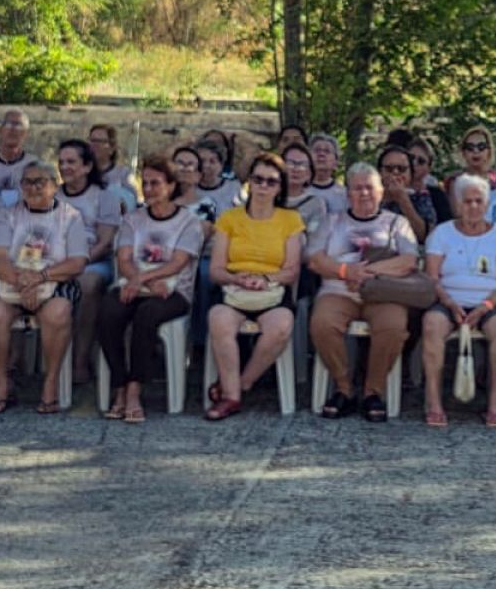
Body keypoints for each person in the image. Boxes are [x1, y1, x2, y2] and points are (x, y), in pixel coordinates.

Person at [307, 163, 419, 422]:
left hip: (382, 292)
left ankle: (373, 391)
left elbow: (409, 261)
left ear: (380, 192)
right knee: (322, 324)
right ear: (348, 193)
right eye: (357, 188)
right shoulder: (332, 221)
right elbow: (314, 260)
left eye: (369, 187)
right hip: (338, 291)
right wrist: (345, 271)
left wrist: (365, 272)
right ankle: (344, 388)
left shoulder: (396, 223)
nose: (364, 193)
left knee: (393, 326)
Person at [0, 160, 88, 415]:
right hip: (12, 280)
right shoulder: (8, 214)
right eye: (27, 182)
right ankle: (2, 383)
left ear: (54, 185)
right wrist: (22, 283)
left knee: (57, 312)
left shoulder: (70, 216)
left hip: (54, 280)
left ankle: (51, 383)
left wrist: (40, 278)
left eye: (40, 182)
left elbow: (77, 262)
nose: (33, 187)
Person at [203, 152, 305, 420]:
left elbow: (292, 270)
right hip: (233, 289)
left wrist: (266, 280)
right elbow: (216, 270)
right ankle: (231, 397)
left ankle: (241, 383)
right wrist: (237, 278)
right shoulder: (229, 219)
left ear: (280, 187)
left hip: (272, 290)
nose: (263, 186)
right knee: (219, 319)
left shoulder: (290, 220)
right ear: (249, 182)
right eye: (258, 179)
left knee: (281, 326)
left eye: (271, 181)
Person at [102, 155, 205, 422]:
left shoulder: (188, 222)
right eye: (145, 183)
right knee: (109, 310)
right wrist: (140, 281)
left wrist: (143, 280)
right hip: (136, 284)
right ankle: (119, 385)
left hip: (173, 291)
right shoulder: (133, 219)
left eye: (155, 183)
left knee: (146, 315)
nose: (148, 189)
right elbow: (124, 259)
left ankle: (135, 390)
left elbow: (178, 262)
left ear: (171, 186)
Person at [415, 175, 496, 428]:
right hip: (447, 299)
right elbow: (431, 277)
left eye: (478, 201)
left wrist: (485, 307)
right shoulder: (442, 233)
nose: (473, 206)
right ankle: (433, 401)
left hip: (492, 302)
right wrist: (449, 303)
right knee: (432, 323)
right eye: (467, 201)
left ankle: (495, 402)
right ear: (457, 204)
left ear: (487, 204)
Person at [58, 139, 124, 387]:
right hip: (56, 260)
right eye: (61, 162)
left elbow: (105, 242)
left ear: (86, 166)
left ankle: (80, 360)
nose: (65, 167)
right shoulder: (52, 195)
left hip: (92, 261)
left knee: (88, 284)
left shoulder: (104, 198)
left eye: (71, 162)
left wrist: (78, 263)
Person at [375, 144, 432, 242]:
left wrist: (403, 200)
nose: (395, 172)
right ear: (380, 172)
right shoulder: (369, 196)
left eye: (401, 169)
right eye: (389, 169)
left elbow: (424, 236)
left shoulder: (421, 198)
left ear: (410, 174)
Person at [0, 110, 34, 198]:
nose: (13, 129)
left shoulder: (33, 165)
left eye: (18, 125)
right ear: (0, 130)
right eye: (8, 124)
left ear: (26, 133)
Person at [404, 139, 452, 230]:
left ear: (428, 168)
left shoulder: (437, 195)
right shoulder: (390, 189)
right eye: (411, 158)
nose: (414, 163)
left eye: (421, 161)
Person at [88, 122, 137, 210]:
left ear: (112, 147)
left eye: (100, 141)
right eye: (92, 140)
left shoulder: (123, 175)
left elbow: (130, 204)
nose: (94, 145)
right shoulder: (82, 173)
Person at [194, 139, 242, 218]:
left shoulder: (234, 187)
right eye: (202, 161)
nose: (206, 165)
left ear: (221, 165)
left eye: (212, 161)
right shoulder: (189, 189)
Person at [306, 133, 347, 215]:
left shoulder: (345, 195)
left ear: (336, 162)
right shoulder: (298, 192)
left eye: (327, 151)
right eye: (317, 150)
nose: (321, 154)